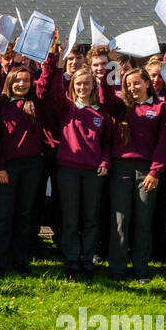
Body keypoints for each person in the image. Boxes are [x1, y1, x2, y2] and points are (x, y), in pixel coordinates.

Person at [42, 36, 113, 281]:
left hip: (93, 171)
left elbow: (107, 143)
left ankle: (88, 260)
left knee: (91, 218)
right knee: (70, 218)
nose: (82, 87)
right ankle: (72, 261)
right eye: (79, 84)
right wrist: (58, 60)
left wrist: (104, 161)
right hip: (68, 170)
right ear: (73, 86)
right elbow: (52, 92)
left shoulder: (101, 112)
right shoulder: (66, 107)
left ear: (93, 86)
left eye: (87, 84)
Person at [102, 67, 166, 283]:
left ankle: (141, 268)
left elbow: (164, 143)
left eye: (136, 83)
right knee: (120, 220)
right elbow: (105, 96)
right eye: (128, 84)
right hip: (120, 168)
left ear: (147, 83)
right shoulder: (120, 106)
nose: (132, 88)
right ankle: (118, 268)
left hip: (147, 171)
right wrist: (108, 68)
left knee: (143, 220)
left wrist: (155, 171)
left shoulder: (161, 107)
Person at [0, 63, 47, 276]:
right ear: (10, 82)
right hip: (8, 168)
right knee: (4, 215)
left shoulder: (36, 104)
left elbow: (48, 80)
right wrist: (1, 167)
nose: (22, 84)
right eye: (18, 80)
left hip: (32, 166)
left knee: (25, 215)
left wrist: (53, 55)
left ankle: (21, 260)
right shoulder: (2, 107)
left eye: (26, 80)